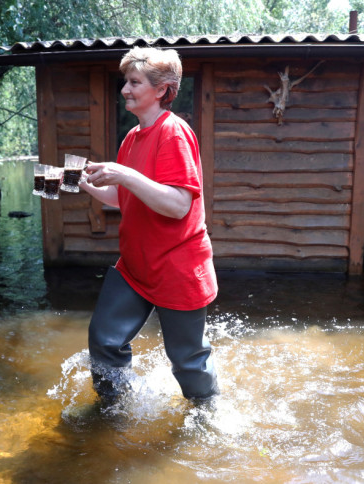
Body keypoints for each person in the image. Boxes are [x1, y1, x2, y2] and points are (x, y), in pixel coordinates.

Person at [80, 46, 219, 403]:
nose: (125, 89)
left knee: (187, 362)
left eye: (134, 82)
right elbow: (123, 198)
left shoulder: (174, 133)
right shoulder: (132, 137)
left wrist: (124, 174)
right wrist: (83, 183)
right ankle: (116, 409)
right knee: (105, 339)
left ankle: (208, 415)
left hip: (177, 266)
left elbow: (178, 205)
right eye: (125, 81)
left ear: (161, 90)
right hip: (136, 267)